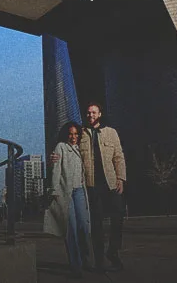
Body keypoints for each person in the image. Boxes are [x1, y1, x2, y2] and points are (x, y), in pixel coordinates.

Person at [52, 102, 127, 272]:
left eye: (94, 113)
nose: (91, 115)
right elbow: (67, 147)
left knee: (118, 216)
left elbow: (119, 156)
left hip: (111, 182)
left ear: (99, 114)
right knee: (96, 223)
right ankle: (99, 259)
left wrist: (121, 178)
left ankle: (113, 251)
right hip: (91, 186)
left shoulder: (111, 133)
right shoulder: (81, 134)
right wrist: (54, 157)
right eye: (88, 113)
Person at [44, 122, 92, 279]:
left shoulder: (80, 149)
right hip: (66, 192)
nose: (74, 137)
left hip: (80, 191)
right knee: (70, 229)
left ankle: (86, 258)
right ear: (66, 134)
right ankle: (75, 265)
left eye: (76, 134)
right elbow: (56, 170)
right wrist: (54, 190)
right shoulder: (61, 147)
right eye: (71, 134)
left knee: (84, 226)